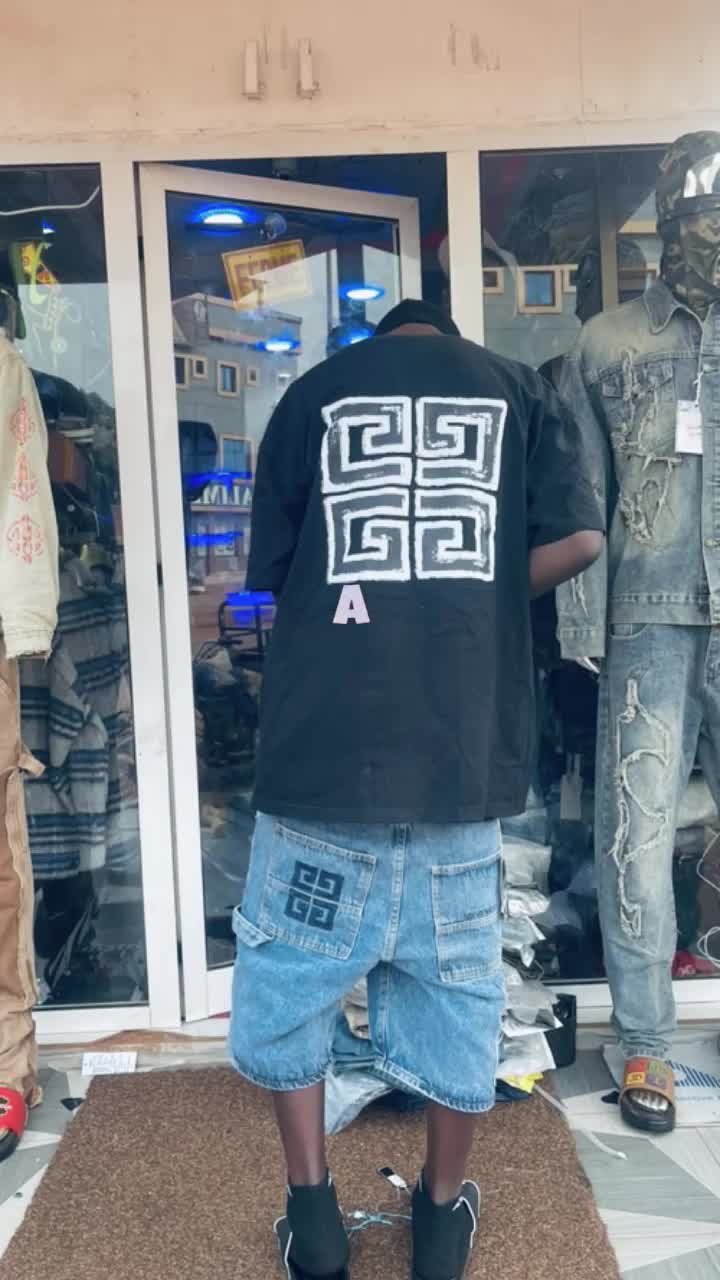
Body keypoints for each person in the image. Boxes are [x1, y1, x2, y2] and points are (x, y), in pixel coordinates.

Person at [230, 299, 604, 1280]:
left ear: (383, 339)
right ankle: (439, 1219)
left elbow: (272, 573)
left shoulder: (312, 395)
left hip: (322, 757)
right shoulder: (519, 393)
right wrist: (481, 584)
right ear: (445, 336)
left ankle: (314, 1218)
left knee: (292, 984)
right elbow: (581, 540)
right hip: (457, 757)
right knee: (455, 992)